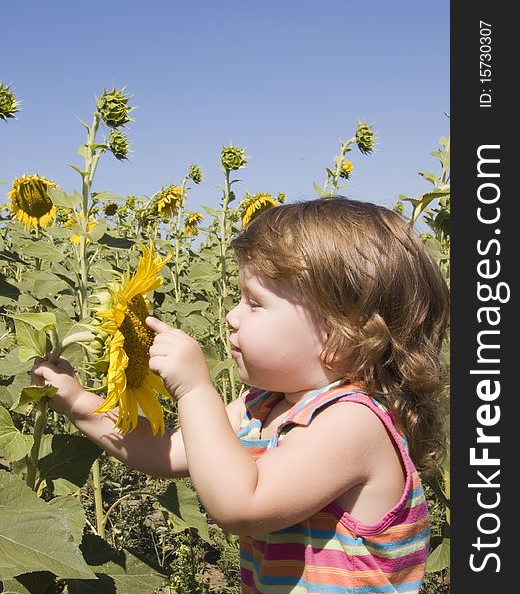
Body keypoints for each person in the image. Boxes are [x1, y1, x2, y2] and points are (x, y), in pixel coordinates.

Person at [33, 197, 450, 593]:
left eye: (255, 303)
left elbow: (240, 505)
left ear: (342, 335)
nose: (231, 316)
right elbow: (165, 451)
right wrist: (76, 401)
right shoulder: (262, 405)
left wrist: (195, 390)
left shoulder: (355, 423)